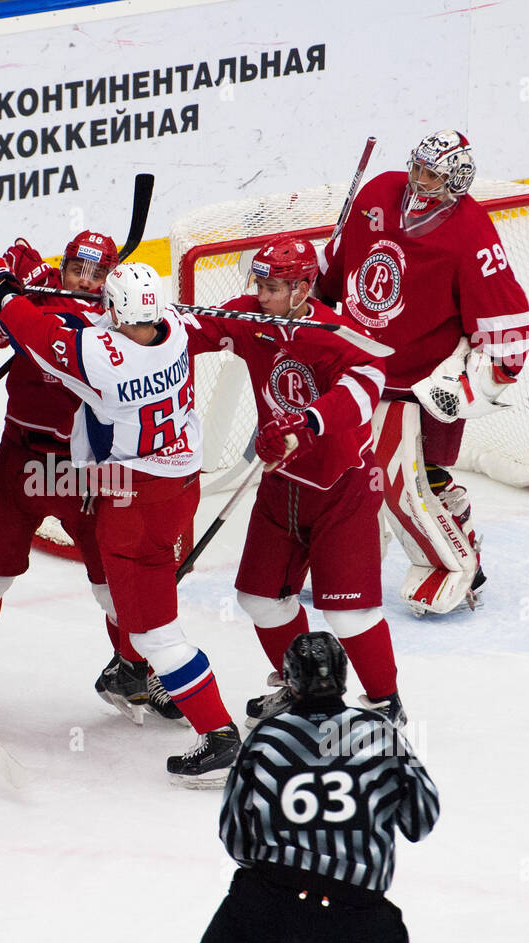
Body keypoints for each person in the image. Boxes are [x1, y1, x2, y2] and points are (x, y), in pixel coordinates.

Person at [0, 254, 239, 785]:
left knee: (155, 631)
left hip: (133, 500)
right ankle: (134, 675)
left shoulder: (102, 357)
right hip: (181, 487)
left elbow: (39, 334)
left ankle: (219, 734)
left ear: (113, 310)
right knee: (150, 610)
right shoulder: (177, 331)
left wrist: (2, 292)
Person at [0, 232, 184, 726]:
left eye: (97, 274)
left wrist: (19, 292)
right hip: (20, 458)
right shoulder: (40, 296)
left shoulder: (109, 330)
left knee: (117, 588)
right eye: (75, 271)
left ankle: (138, 671)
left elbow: (51, 326)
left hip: (84, 472)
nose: (84, 281)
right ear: (62, 267)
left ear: (112, 286)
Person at [188, 235, 405, 725]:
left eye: (272, 286)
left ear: (304, 287)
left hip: (341, 487)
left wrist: (304, 424)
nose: (260, 294)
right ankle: (299, 687)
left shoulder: (334, 333)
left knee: (349, 614)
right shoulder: (252, 317)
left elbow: (367, 385)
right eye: (259, 283)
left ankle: (384, 702)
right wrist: (143, 317)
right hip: (280, 485)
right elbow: (192, 330)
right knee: (260, 600)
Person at [317, 130, 529, 613]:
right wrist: (317, 299)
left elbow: (507, 315)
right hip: (357, 368)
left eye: (431, 173)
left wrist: (487, 376)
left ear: (455, 179)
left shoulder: (470, 232)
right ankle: (355, 556)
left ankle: (459, 563)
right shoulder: (376, 193)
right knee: (348, 472)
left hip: (421, 382)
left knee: (411, 478)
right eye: (416, 167)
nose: (418, 179)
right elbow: (340, 266)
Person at [185, 633, 439, 943]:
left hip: (269, 898)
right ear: (343, 677)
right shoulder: (379, 733)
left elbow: (234, 835)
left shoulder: (266, 736)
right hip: (354, 909)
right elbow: (421, 820)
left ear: (290, 681)